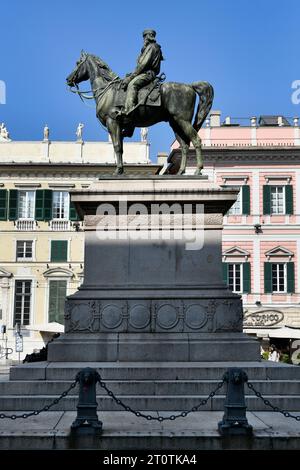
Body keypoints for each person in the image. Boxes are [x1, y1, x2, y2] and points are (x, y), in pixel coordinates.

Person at [117, 29, 164, 118]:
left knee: (132, 85)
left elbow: (142, 65)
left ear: (149, 36)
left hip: (148, 74)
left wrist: (131, 77)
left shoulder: (152, 47)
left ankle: (129, 110)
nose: (144, 39)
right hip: (144, 73)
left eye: (145, 37)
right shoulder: (146, 49)